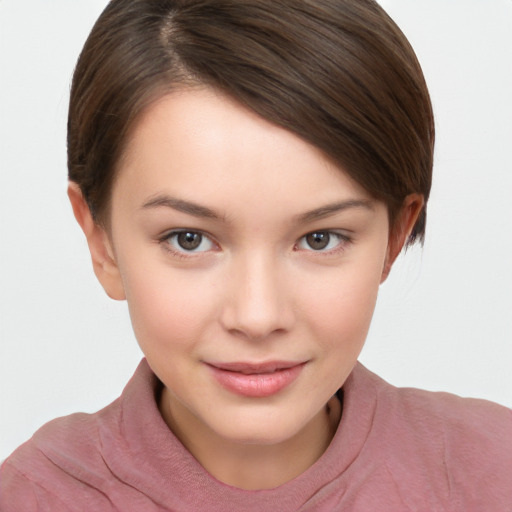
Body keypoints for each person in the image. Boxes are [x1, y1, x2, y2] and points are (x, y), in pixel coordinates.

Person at [1, 0, 510, 510]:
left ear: (395, 237)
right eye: (189, 239)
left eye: (320, 238)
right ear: (101, 241)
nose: (257, 316)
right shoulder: (34, 496)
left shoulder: (492, 474)